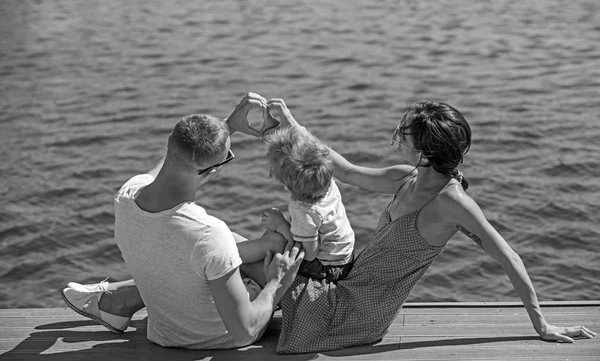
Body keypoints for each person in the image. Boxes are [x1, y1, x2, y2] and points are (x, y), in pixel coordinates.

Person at [263, 98, 596, 354]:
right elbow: (346, 171)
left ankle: (227, 333)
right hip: (347, 287)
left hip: (358, 313)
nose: (396, 135)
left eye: (403, 133)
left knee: (249, 260)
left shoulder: (451, 203)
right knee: (253, 251)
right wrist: (293, 127)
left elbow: (509, 257)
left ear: (425, 150)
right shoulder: (405, 177)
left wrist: (542, 325)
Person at [61, 93, 304, 349]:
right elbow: (244, 331)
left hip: (164, 332)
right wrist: (278, 281)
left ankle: (118, 301)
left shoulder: (127, 196)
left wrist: (227, 126)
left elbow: (174, 160)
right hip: (218, 337)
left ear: (169, 143)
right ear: (212, 171)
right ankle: (118, 299)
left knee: (217, 249)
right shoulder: (208, 234)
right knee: (257, 252)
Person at [238, 126, 355, 283]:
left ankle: (229, 257)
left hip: (325, 268)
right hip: (343, 257)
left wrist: (281, 225)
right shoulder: (325, 182)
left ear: (286, 184)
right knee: (274, 236)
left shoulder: (305, 212)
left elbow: (309, 254)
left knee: (275, 241)